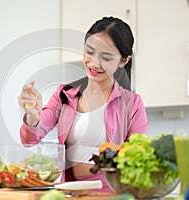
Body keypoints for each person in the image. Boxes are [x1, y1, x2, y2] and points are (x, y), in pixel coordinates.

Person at [18, 16, 148, 192]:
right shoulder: (64, 94)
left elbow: (137, 158)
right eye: (90, 52)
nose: (94, 63)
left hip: (110, 194)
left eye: (106, 57)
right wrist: (33, 115)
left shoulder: (132, 104)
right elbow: (30, 140)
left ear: (123, 61)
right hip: (68, 193)